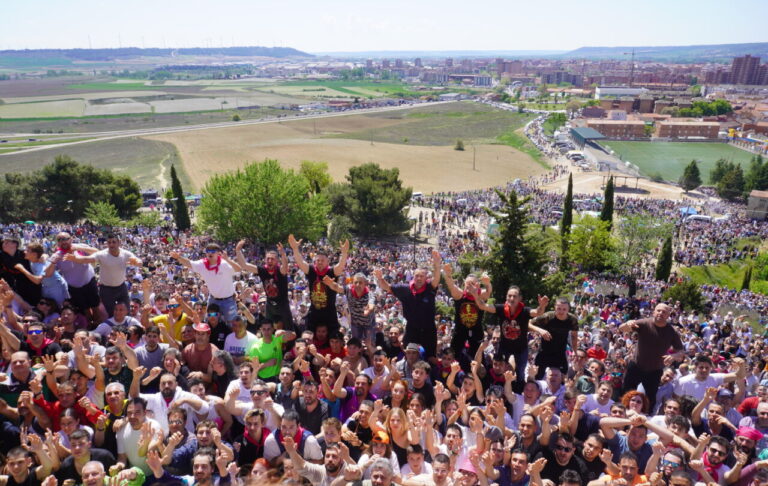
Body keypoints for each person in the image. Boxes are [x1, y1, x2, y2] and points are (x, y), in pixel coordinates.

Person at [374, 250, 442, 361]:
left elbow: (436, 279)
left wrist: (437, 265)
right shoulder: (404, 289)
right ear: (412, 277)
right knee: (409, 356)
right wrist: (380, 278)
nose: (419, 278)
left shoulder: (430, 287)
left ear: (426, 278)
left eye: (422, 276)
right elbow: (387, 287)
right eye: (417, 276)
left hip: (429, 329)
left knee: (430, 358)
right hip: (412, 328)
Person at [619, 303, 685, 410]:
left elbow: (681, 352)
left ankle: (645, 420)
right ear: (654, 312)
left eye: (664, 312)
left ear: (668, 315)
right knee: (627, 393)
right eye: (658, 310)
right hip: (636, 366)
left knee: (650, 399)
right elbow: (622, 329)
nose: (660, 313)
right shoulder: (644, 323)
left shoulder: (671, 331)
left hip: (654, 370)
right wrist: (627, 324)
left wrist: (674, 356)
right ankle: (622, 415)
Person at [63, 234, 141, 318]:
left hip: (121, 287)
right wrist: (75, 259)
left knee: (126, 311)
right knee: (112, 314)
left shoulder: (125, 253)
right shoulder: (101, 254)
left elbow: (138, 260)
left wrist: (138, 262)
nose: (111, 244)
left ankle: (127, 330)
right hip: (106, 290)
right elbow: (87, 259)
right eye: (109, 242)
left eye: (114, 242)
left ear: (119, 243)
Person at [170, 242, 242, 322]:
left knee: (231, 323)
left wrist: (228, 260)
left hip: (228, 301)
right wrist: (179, 257)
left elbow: (239, 269)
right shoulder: (202, 264)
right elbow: (189, 263)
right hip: (213, 299)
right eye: (208, 251)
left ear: (218, 253)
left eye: (213, 251)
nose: (210, 253)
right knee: (209, 321)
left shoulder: (224, 264)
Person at [236, 239, 294, 330]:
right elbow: (244, 265)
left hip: (283, 305)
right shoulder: (262, 270)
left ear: (277, 261)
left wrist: (283, 254)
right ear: (265, 260)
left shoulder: (280, 270)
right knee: (268, 329)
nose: (270, 260)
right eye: (268, 258)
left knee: (288, 329)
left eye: (272, 259)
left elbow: (285, 267)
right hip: (270, 305)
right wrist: (238, 250)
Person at [529, 298, 579, 378]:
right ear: (555, 308)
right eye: (559, 308)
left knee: (562, 378)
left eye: (564, 309)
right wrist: (540, 330)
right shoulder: (548, 317)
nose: (561, 312)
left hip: (560, 353)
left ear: (568, 309)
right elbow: (528, 324)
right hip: (544, 352)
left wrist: (575, 351)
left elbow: (574, 336)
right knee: (536, 376)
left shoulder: (572, 320)